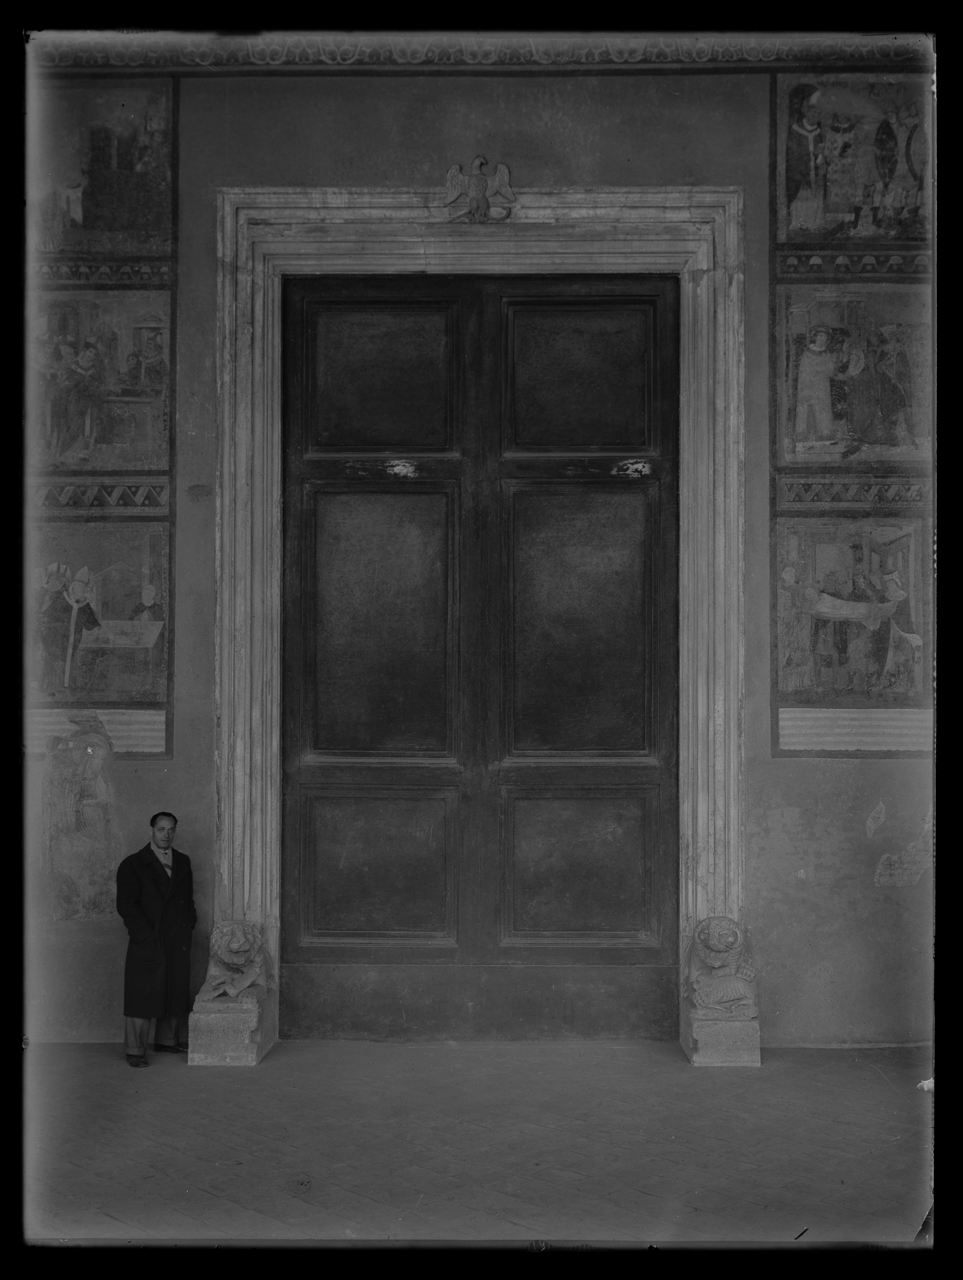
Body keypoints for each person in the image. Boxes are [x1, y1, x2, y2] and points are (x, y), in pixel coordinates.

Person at [116, 812, 197, 1067]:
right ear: (151, 830)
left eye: (171, 830)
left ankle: (167, 1041)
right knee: (142, 995)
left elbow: (188, 900)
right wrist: (144, 935)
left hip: (176, 938)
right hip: (148, 939)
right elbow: (126, 906)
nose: (166, 835)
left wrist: (188, 925)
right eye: (161, 829)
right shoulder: (133, 864)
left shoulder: (183, 861)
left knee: (174, 989)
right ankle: (135, 1050)